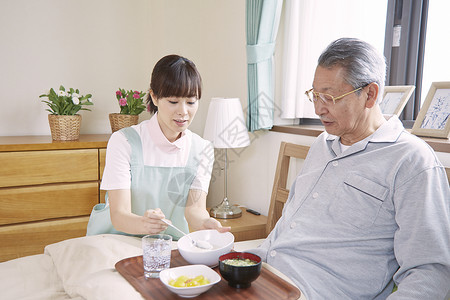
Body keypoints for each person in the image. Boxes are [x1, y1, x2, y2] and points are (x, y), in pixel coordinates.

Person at [249, 38, 450, 299]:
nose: (319, 108)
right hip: (263, 277)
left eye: (330, 97)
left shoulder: (412, 160)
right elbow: (290, 222)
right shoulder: (323, 143)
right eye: (315, 95)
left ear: (370, 94)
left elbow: (431, 272)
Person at [87, 54, 229, 239]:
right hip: (117, 240)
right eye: (173, 102)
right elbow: (119, 215)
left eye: (191, 102)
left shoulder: (202, 149)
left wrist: (205, 223)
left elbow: (195, 210)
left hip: (168, 245)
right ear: (154, 97)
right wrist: (144, 224)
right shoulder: (124, 141)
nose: (183, 112)